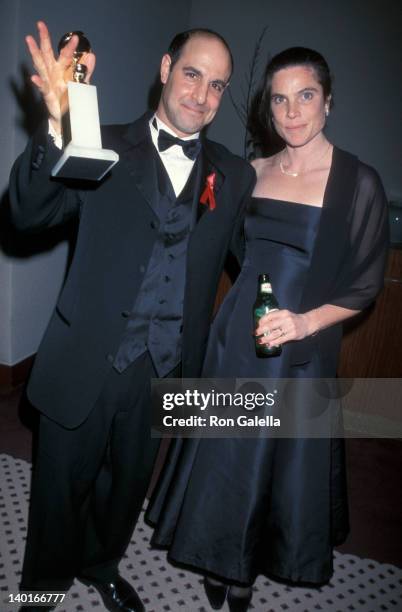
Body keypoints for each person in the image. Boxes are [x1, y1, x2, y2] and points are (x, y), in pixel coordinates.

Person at [8, 21, 255, 612]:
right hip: (88, 353)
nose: (202, 95)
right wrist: (55, 126)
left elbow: (254, 259)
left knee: (126, 488)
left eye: (218, 85)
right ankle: (44, 585)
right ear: (166, 70)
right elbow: (26, 214)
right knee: (59, 489)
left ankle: (102, 566)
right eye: (192, 74)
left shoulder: (235, 173)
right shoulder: (102, 143)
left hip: (165, 367)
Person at [147, 47, 389, 611]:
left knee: (273, 462)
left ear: (328, 101)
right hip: (236, 338)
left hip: (299, 347)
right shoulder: (250, 173)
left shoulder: (359, 183)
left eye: (305, 96)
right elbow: (223, 248)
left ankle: (247, 565)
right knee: (226, 454)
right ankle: (214, 553)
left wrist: (305, 321)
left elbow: (365, 283)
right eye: (279, 100)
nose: (292, 112)